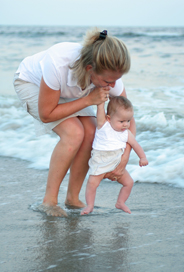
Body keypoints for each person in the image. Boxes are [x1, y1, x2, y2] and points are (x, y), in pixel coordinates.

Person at [13, 28, 135, 217]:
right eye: (108, 81)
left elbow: (127, 118)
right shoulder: (58, 63)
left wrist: (124, 157)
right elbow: (46, 114)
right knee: (74, 133)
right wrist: (88, 100)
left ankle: (73, 198)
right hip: (32, 83)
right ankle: (49, 201)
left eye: (116, 81)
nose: (112, 86)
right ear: (89, 68)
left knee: (92, 132)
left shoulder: (110, 77)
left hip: (74, 91)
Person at [81, 96, 148, 215]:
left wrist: (142, 157)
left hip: (116, 164)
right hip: (100, 163)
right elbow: (100, 108)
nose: (125, 125)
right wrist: (101, 99)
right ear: (108, 118)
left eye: (128, 121)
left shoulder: (126, 133)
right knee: (92, 184)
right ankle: (90, 205)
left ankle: (120, 202)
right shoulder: (103, 126)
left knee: (129, 183)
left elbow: (135, 145)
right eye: (121, 121)